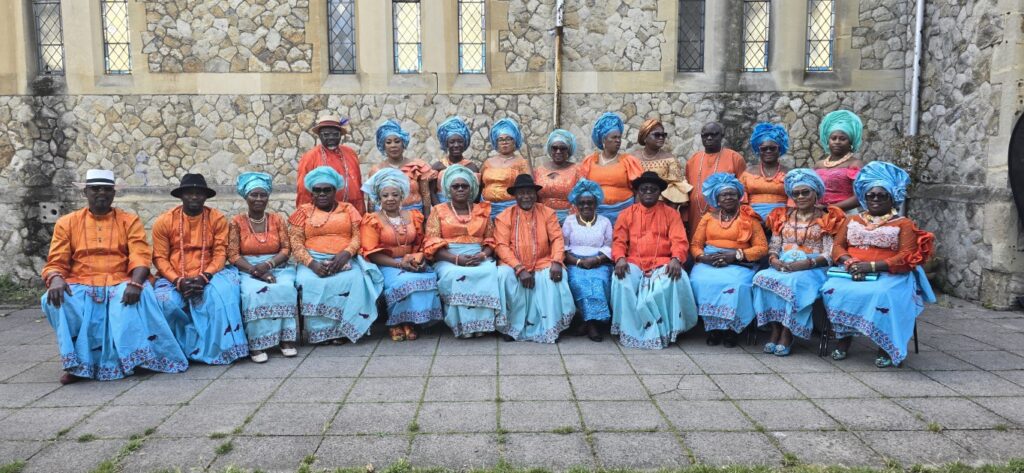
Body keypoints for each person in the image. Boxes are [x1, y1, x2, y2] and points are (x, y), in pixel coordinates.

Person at [41, 170, 188, 384]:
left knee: (135, 297)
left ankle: (136, 359)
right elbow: (57, 261)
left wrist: (136, 282)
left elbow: (140, 256)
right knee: (56, 299)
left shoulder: (129, 220)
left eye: (106, 189)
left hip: (121, 279)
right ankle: (76, 364)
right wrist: (55, 278)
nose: (101, 193)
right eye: (95, 189)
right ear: (85, 192)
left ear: (113, 193)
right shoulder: (67, 223)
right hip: (81, 279)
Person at [822, 161, 936, 368]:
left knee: (882, 294)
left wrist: (872, 267)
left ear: (892, 198)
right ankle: (844, 339)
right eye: (871, 195)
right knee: (833, 290)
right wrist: (851, 263)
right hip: (851, 270)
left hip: (891, 273)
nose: (875, 199)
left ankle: (885, 345)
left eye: (882, 195)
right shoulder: (852, 220)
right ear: (864, 197)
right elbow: (837, 247)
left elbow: (906, 256)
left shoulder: (904, 223)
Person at [153, 173, 249, 365]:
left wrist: (205, 277)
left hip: (211, 273)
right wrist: (178, 281)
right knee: (164, 301)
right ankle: (175, 353)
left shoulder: (217, 219)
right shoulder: (164, 221)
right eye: (189, 193)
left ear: (206, 197)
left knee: (222, 295)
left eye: (199, 193)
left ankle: (219, 351)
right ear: (181, 196)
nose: (194, 197)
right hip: (174, 276)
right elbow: (159, 258)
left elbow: (220, 253)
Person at [752, 169, 845, 356]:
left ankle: (788, 332)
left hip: (815, 267)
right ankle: (775, 329)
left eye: (805, 192)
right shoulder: (782, 215)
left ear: (816, 193)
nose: (800, 197)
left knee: (794, 282)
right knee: (760, 278)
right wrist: (773, 260)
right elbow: (775, 244)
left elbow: (830, 252)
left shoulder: (827, 218)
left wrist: (807, 264)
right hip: (784, 264)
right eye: (796, 194)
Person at [289, 166, 383, 344]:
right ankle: (320, 333)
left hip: (344, 259)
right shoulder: (303, 212)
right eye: (317, 190)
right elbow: (295, 242)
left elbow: (358, 236)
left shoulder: (348, 209)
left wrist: (346, 254)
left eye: (327, 190)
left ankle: (344, 331)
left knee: (356, 279)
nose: (322, 194)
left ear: (335, 191)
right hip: (312, 261)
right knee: (309, 282)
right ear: (311, 193)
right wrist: (312, 264)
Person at [424, 165, 516, 338]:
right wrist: (456, 259)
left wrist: (482, 255)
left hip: (478, 256)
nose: (460, 189)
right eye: (455, 186)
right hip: (449, 258)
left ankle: (483, 324)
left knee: (490, 273)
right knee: (455, 275)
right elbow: (431, 244)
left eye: (464, 186)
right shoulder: (438, 211)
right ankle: (463, 325)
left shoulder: (482, 210)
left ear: (471, 188)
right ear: (448, 189)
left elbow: (491, 241)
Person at [610, 171, 699, 349]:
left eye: (653, 189)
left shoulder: (671, 214)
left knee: (671, 280)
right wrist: (619, 258)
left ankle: (665, 330)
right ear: (638, 192)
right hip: (633, 262)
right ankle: (630, 329)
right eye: (644, 189)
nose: (648, 192)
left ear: (660, 192)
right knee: (622, 280)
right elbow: (619, 241)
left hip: (663, 262)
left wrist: (676, 259)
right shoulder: (626, 214)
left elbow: (679, 241)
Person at [361, 168, 443, 342]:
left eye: (395, 195)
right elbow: (371, 253)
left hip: (412, 261)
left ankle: (411, 321)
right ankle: (396, 322)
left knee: (428, 277)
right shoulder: (372, 219)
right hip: (387, 264)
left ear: (402, 196)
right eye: (385, 195)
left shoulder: (414, 216)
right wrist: (399, 264)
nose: (390, 199)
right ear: (379, 198)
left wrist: (420, 259)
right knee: (404, 281)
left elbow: (422, 242)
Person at [689, 173, 768, 347]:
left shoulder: (749, 217)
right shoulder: (708, 217)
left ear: (739, 196)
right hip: (710, 261)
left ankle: (732, 330)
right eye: (723, 195)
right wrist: (703, 258)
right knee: (699, 281)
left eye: (732, 194)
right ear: (717, 198)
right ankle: (713, 328)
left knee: (736, 285)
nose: (728, 197)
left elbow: (762, 248)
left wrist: (735, 255)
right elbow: (695, 244)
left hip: (739, 262)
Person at [494, 174, 575, 343]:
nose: (526, 196)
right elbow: (501, 246)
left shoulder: (547, 213)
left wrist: (556, 261)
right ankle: (511, 327)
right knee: (502, 275)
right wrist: (519, 268)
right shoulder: (504, 216)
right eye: (521, 193)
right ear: (515, 196)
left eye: (530, 192)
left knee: (555, 277)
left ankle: (550, 328)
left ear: (535, 194)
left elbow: (557, 239)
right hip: (513, 264)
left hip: (542, 261)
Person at [227, 172, 298, 363]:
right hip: (247, 269)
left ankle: (286, 339)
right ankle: (256, 343)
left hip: (277, 266)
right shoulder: (236, 222)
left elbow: (286, 249)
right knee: (253, 293)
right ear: (246, 197)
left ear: (268, 197)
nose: (259, 199)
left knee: (284, 288)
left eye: (263, 195)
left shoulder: (277, 219)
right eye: (254, 194)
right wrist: (255, 271)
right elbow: (233, 254)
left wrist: (268, 265)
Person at [562, 179, 614, 342]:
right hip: (575, 263)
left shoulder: (605, 222)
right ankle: (592, 325)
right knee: (579, 282)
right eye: (582, 203)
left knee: (598, 282)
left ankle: (587, 323)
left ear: (596, 203)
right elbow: (563, 247)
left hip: (599, 263)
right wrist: (579, 262)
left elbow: (610, 246)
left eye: (590, 203)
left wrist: (597, 260)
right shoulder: (569, 221)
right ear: (576, 204)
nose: (586, 206)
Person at [578, 112, 643, 224]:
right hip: (596, 215)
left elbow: (638, 190)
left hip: (625, 214)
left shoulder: (628, 161)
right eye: (614, 137)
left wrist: (637, 213)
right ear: (604, 140)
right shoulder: (589, 161)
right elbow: (582, 190)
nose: (618, 140)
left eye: (619, 137)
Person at [685, 122, 747, 236]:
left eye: (714, 134)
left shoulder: (735, 158)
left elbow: (743, 193)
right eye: (705, 135)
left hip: (725, 218)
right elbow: (687, 192)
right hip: (696, 215)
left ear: (722, 135)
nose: (709, 138)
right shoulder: (693, 160)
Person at [296, 115, 365, 214]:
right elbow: (303, 192)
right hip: (323, 215)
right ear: (319, 135)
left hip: (353, 213)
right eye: (326, 134)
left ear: (340, 135)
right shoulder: (310, 157)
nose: (331, 138)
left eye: (335, 134)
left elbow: (358, 186)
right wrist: (305, 216)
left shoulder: (351, 154)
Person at [369, 119, 435, 218]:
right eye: (388, 142)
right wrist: (371, 221)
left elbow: (426, 196)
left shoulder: (417, 167)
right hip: (385, 220)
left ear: (403, 143)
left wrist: (426, 220)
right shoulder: (377, 171)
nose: (393, 145)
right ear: (383, 146)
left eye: (397, 141)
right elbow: (372, 201)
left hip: (415, 218)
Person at [814, 110, 866, 213]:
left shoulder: (855, 164)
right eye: (833, 138)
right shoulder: (819, 165)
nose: (837, 142)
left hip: (844, 215)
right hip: (818, 215)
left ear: (850, 142)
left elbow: (859, 197)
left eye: (842, 139)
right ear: (828, 141)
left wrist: (827, 209)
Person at [635, 119, 693, 210]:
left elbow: (677, 185)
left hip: (662, 206)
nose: (661, 137)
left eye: (663, 135)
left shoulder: (670, 159)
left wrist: (669, 212)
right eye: (657, 135)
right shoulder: (633, 158)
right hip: (636, 205)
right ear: (645, 137)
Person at [481, 118, 531, 219]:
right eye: (501, 139)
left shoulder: (522, 163)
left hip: (511, 210)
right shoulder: (487, 163)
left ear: (514, 141)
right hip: (486, 210)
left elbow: (527, 187)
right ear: (496, 142)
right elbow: (480, 184)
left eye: (508, 138)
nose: (504, 142)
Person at [740, 123, 789, 221]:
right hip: (752, 219)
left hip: (782, 220)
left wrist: (781, 220)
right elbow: (742, 200)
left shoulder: (789, 173)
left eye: (773, 148)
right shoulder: (748, 172)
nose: (768, 151)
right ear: (758, 151)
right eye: (764, 148)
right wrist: (752, 219)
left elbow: (794, 200)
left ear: (779, 149)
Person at [533, 129, 581, 224]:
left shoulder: (577, 170)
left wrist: (570, 220)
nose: (558, 151)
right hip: (543, 219)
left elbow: (580, 197)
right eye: (554, 148)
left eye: (563, 148)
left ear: (568, 150)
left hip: (569, 220)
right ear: (550, 149)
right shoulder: (539, 171)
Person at [432, 116, 480, 203]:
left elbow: (476, 194)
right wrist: (439, 208)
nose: (456, 145)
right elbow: (432, 192)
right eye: (452, 142)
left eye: (460, 141)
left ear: (464, 143)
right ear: (446, 144)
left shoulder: (471, 168)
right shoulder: (437, 167)